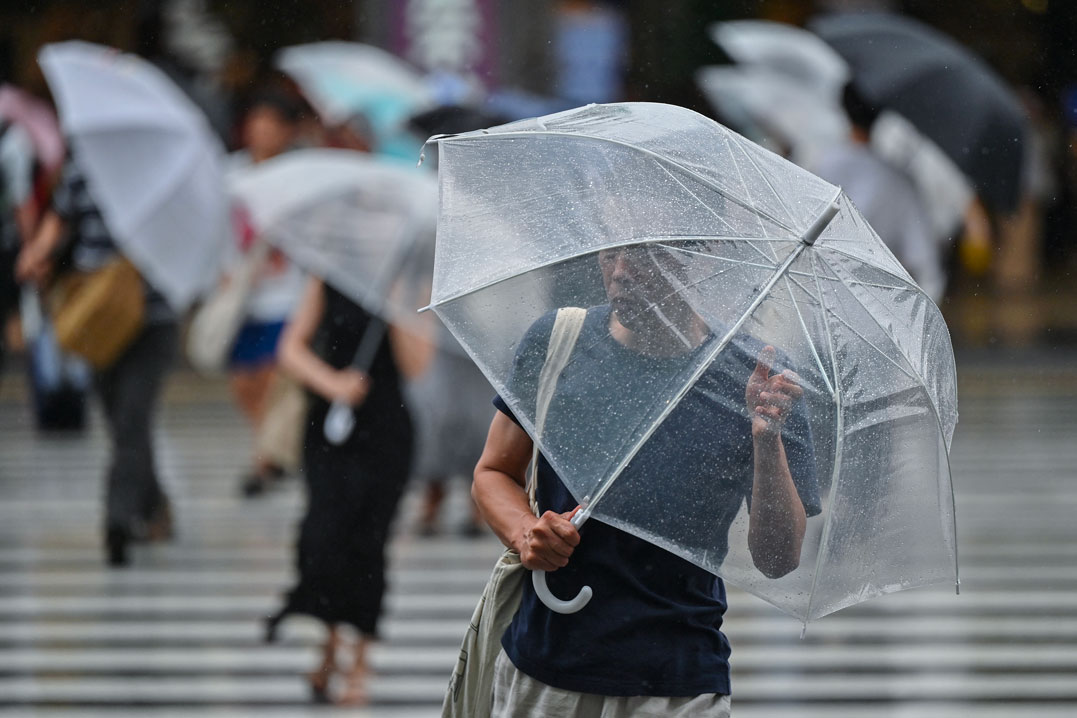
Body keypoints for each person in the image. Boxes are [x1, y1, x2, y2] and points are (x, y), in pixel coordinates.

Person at [472, 242, 819, 716]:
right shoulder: (558, 340)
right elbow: (494, 472)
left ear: (698, 261)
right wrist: (524, 531)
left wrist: (766, 438)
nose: (620, 272)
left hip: (679, 684)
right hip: (546, 669)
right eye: (610, 253)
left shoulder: (759, 378)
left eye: (643, 256)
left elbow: (778, 558)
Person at [16, 152, 176, 566]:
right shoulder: (82, 170)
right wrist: (38, 251)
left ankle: (117, 520)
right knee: (118, 417)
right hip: (97, 313)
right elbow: (60, 217)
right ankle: (154, 503)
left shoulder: (162, 172)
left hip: (151, 314)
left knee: (132, 418)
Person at [264, 276, 414, 705]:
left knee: (368, 543)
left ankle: (359, 663)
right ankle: (329, 649)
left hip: (386, 429)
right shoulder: (326, 274)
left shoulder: (407, 281)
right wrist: (333, 383)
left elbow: (417, 365)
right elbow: (291, 349)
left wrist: (399, 306)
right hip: (330, 429)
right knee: (323, 536)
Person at [222, 90, 308, 496]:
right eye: (257, 123)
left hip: (287, 297)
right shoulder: (232, 174)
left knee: (276, 382)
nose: (262, 131)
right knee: (246, 383)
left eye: (271, 124)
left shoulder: (300, 174)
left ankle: (265, 458)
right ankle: (270, 448)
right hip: (242, 297)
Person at [811, 82, 945, 302]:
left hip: (818, 299)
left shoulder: (816, 168)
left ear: (843, 108)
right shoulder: (899, 182)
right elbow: (925, 264)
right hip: (876, 307)